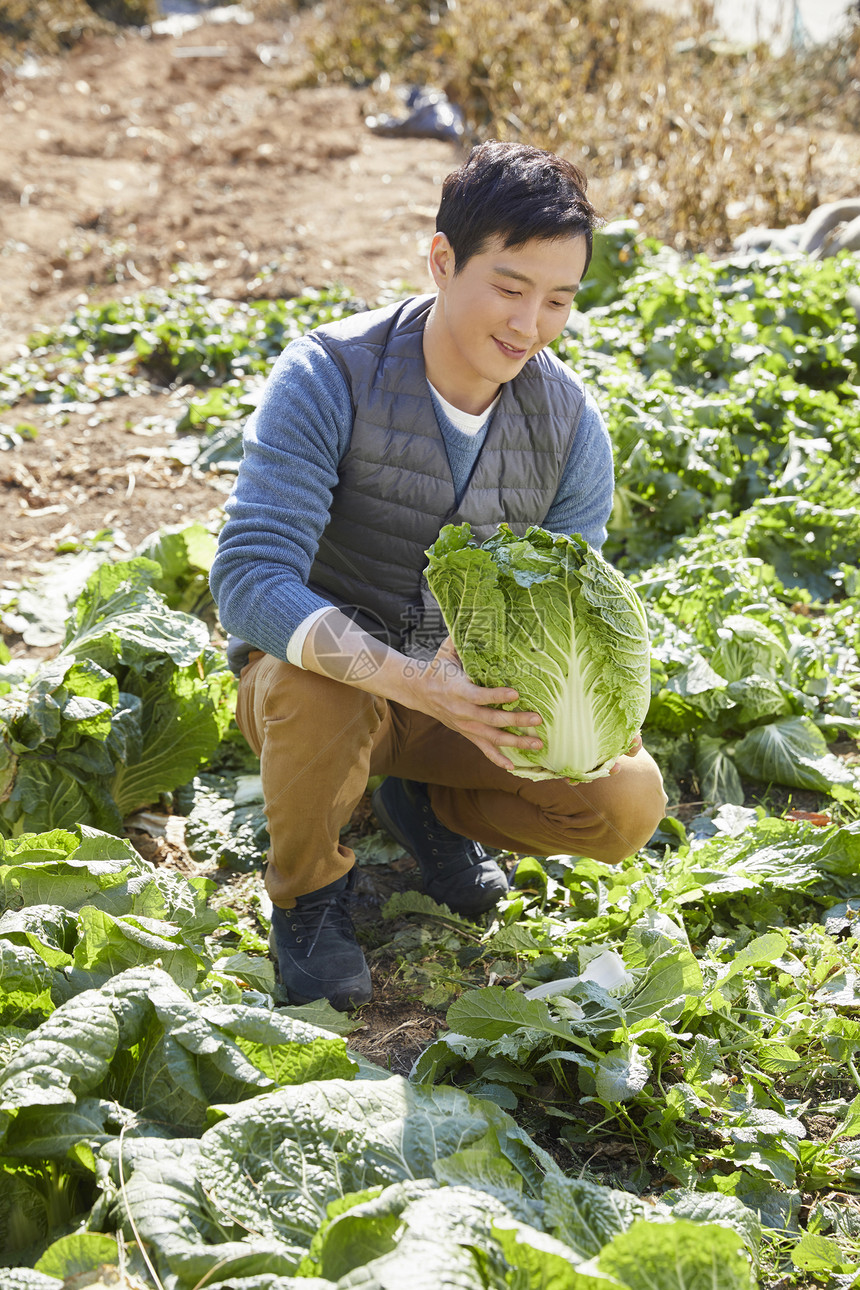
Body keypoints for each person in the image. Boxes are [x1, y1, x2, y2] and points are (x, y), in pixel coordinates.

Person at [209, 141, 667, 1011]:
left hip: (468, 701)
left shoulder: (570, 426)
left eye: (559, 300)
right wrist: (416, 681)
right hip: (327, 690)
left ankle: (429, 806)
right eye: (508, 286)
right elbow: (249, 575)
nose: (529, 323)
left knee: (626, 800)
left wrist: (594, 707)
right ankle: (307, 897)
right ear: (442, 259)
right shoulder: (327, 375)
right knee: (320, 694)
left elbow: (580, 604)